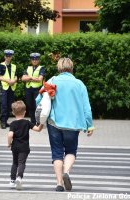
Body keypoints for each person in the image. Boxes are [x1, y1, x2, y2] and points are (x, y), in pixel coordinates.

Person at [36, 57, 94, 192]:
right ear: (72, 68)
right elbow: (87, 107)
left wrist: (40, 120)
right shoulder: (79, 84)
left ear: (59, 68)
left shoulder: (52, 81)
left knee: (56, 153)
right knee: (71, 151)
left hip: (54, 123)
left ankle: (59, 184)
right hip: (73, 125)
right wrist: (89, 125)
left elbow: (38, 100)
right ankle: (66, 172)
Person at [7, 100, 43, 190]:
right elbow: (38, 129)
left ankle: (12, 181)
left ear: (13, 113)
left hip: (14, 146)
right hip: (24, 147)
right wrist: (41, 122)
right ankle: (19, 177)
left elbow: (10, 134)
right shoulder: (27, 122)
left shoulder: (13, 124)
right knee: (21, 163)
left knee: (14, 163)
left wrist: (8, 143)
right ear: (25, 112)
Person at [0, 49, 18, 129]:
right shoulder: (1, 65)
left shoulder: (14, 66)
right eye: (7, 56)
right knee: (4, 105)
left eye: (10, 56)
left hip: (11, 87)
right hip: (4, 88)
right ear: (5, 56)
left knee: (10, 105)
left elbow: (16, 76)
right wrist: (7, 80)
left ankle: (5, 121)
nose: (8, 57)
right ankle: (2, 122)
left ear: (11, 57)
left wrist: (14, 81)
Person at [22, 53, 45, 124]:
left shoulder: (41, 68)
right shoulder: (28, 68)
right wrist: (32, 78)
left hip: (37, 89)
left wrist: (28, 78)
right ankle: (32, 121)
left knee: (37, 106)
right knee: (29, 105)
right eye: (33, 59)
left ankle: (38, 122)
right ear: (31, 60)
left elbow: (39, 79)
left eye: (36, 59)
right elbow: (23, 78)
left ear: (38, 60)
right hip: (28, 89)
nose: (34, 61)